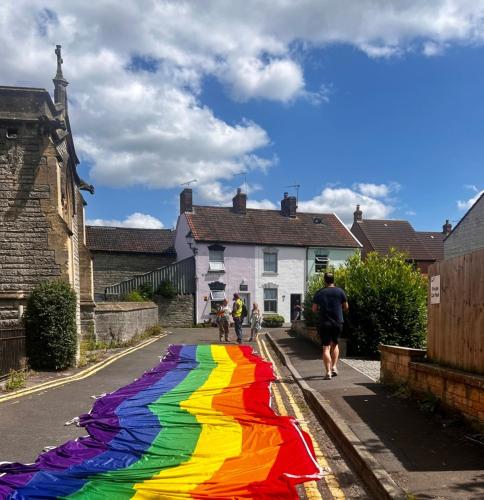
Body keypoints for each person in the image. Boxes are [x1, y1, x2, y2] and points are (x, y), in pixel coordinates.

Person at [312, 272, 348, 380]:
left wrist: (321, 308)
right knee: (335, 344)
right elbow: (346, 307)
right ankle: (334, 367)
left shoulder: (319, 293)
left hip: (325, 322)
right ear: (334, 280)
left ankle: (328, 372)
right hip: (337, 322)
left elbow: (313, 309)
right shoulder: (340, 291)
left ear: (324, 281)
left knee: (326, 348)